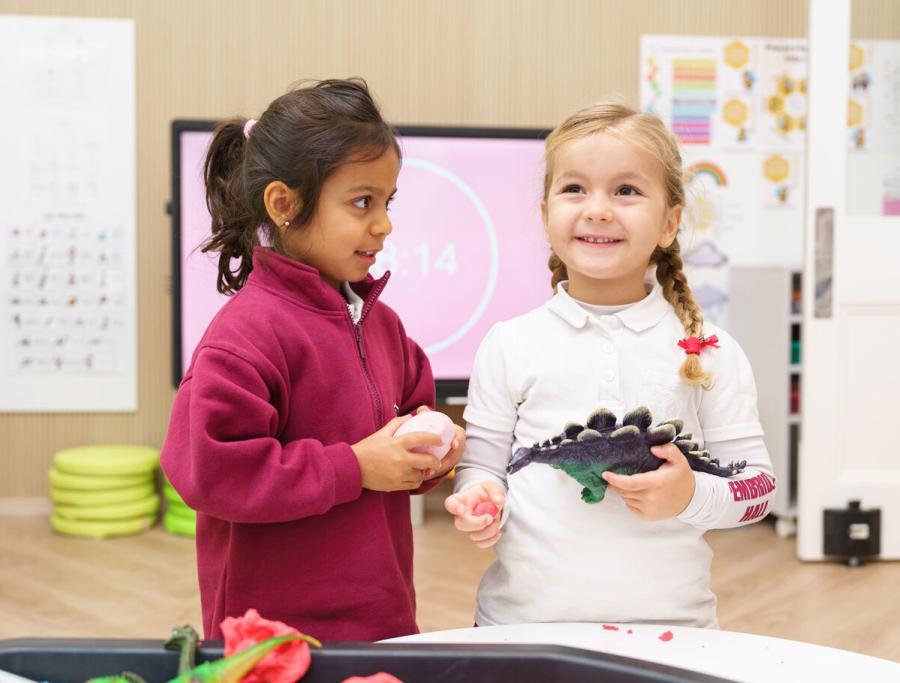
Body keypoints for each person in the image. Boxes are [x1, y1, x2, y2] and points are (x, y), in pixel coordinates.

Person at [444, 101, 775, 629]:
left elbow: (758, 490)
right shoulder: (509, 343)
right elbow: (483, 467)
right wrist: (480, 497)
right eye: (574, 188)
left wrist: (693, 494)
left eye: (626, 190)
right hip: (521, 630)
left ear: (670, 222)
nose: (598, 209)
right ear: (546, 212)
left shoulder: (710, 350)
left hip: (675, 633)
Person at [162, 78, 464, 641]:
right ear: (284, 204)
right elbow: (208, 470)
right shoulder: (246, 335)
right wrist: (354, 467)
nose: (384, 224)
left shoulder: (384, 325)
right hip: (273, 636)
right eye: (361, 202)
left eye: (387, 201)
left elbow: (413, 421)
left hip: (382, 619)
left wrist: (432, 454)